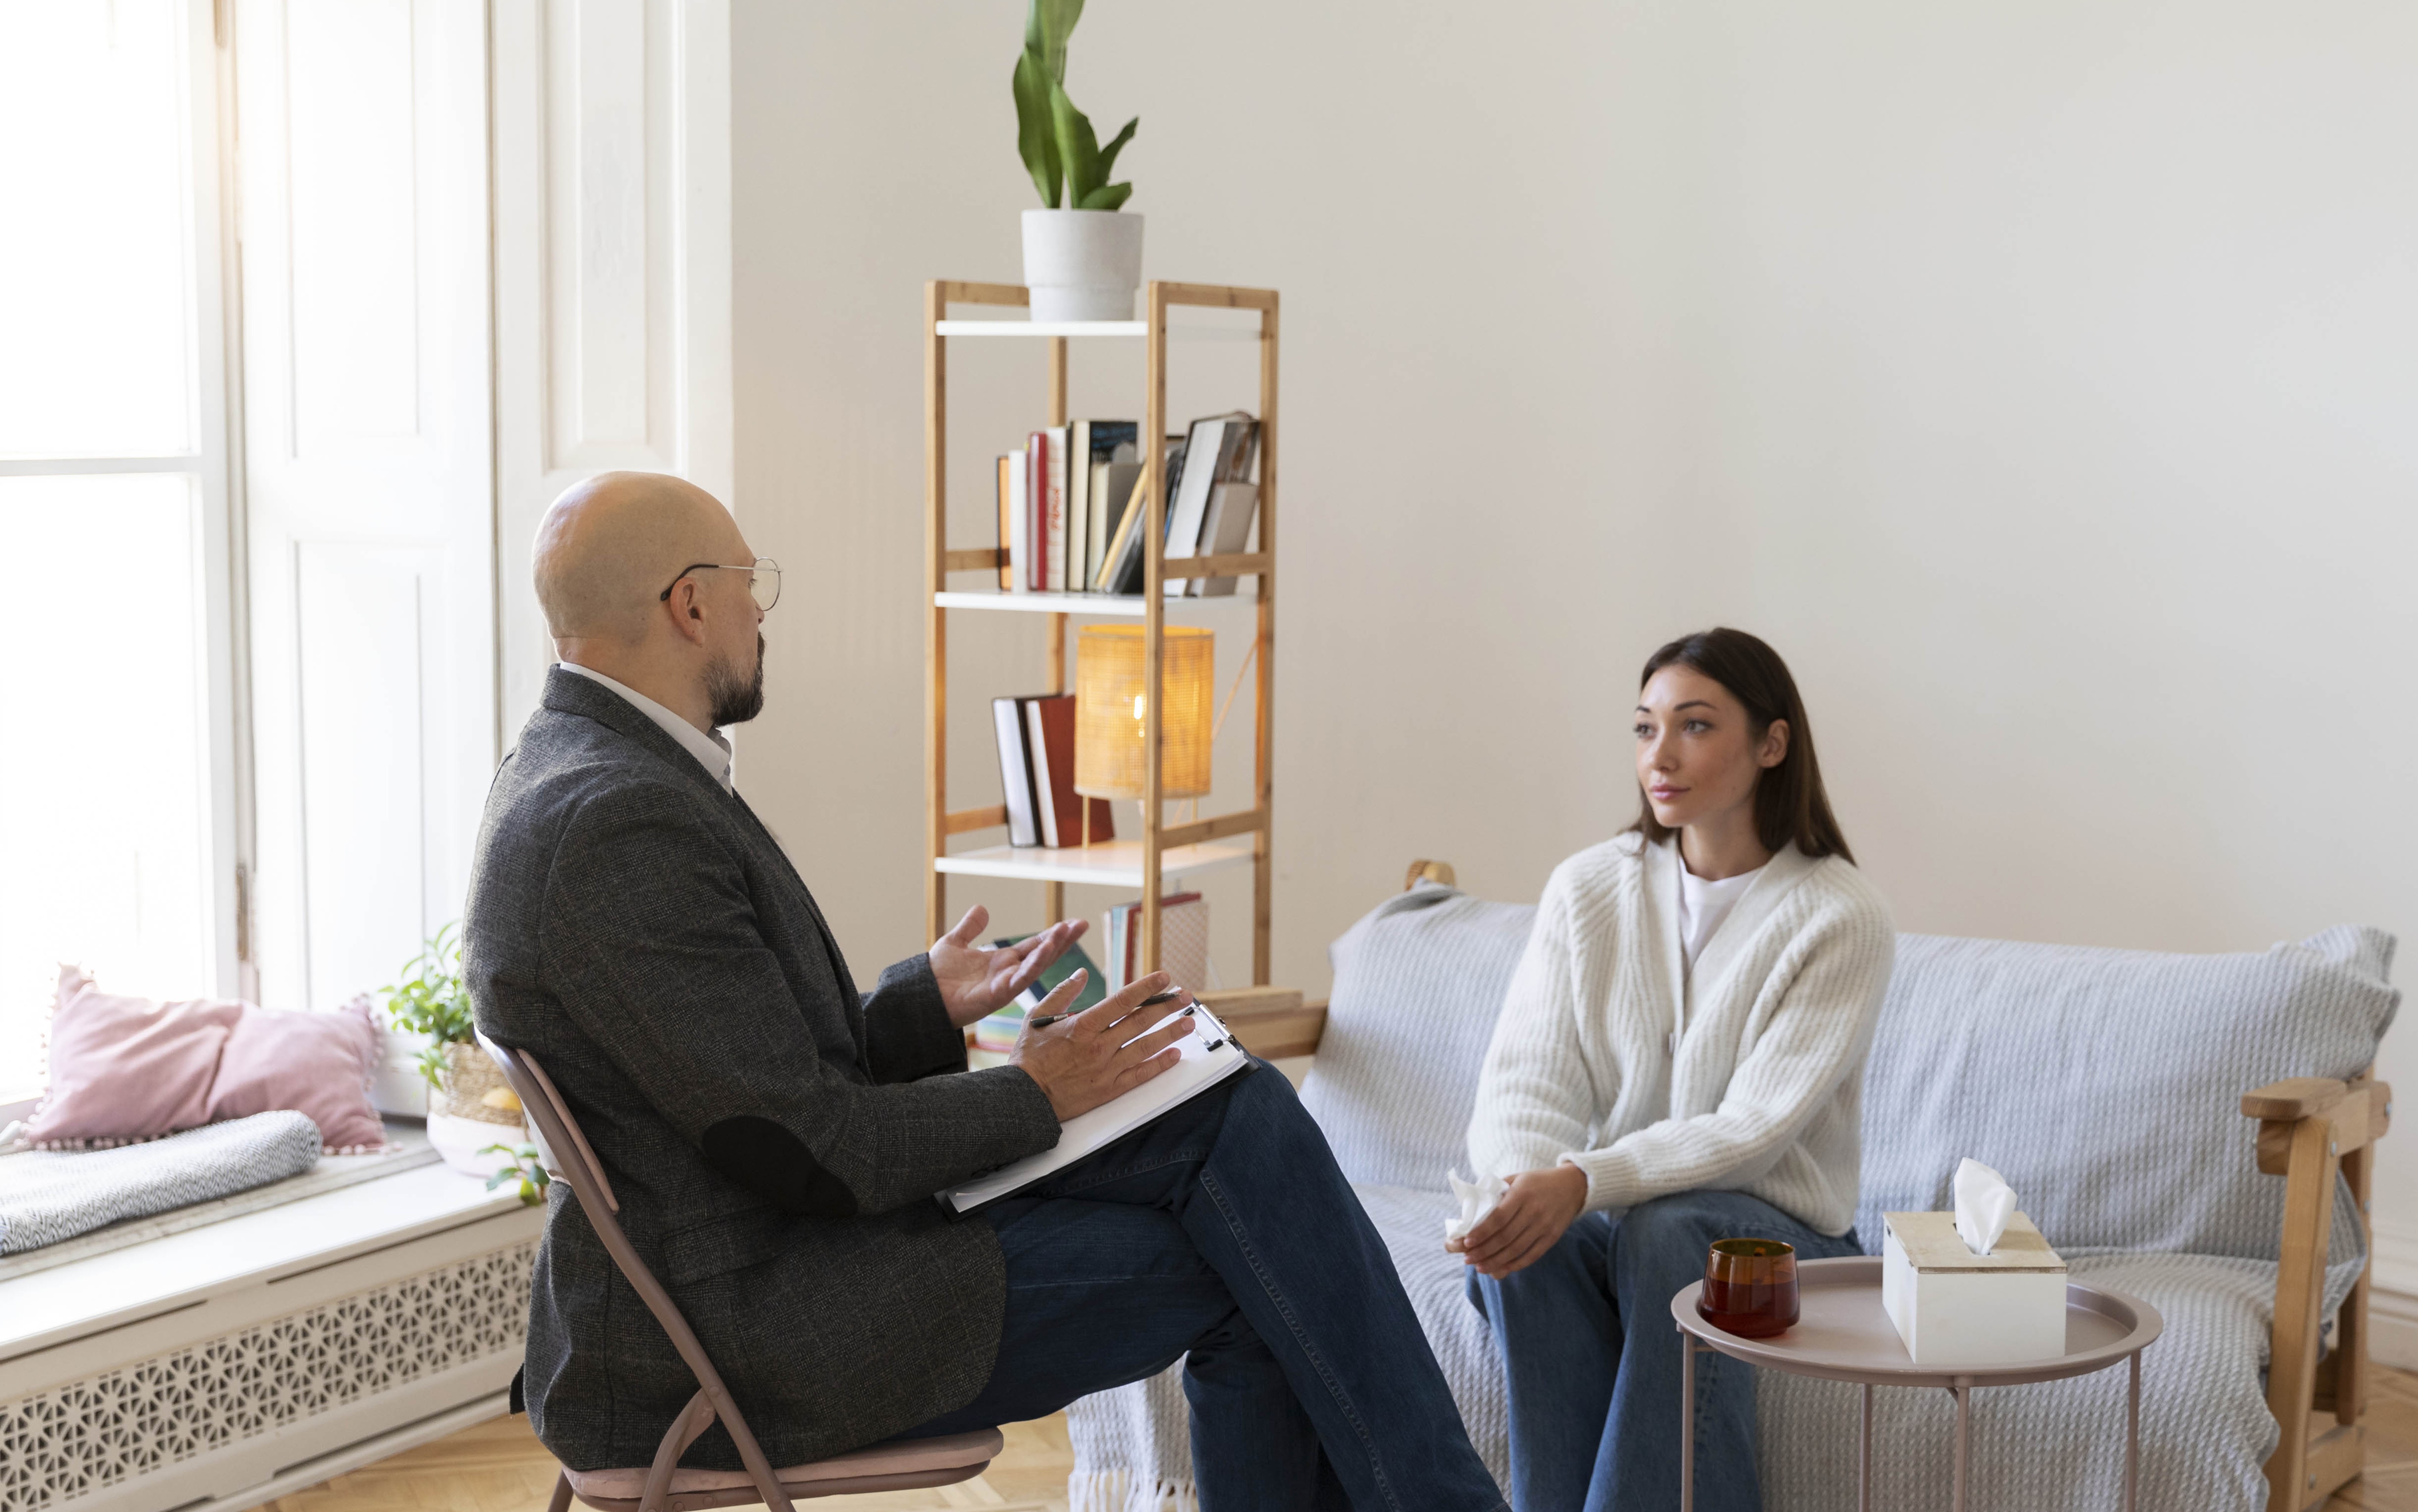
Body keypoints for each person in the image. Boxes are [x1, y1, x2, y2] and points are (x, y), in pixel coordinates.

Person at [466, 471, 1501, 1510]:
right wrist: (1038, 1090)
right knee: (1258, 1254)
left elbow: (733, 1088)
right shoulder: (618, 821)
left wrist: (920, 1003)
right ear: (690, 604)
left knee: (1231, 1111)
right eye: (750, 581)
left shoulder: (576, 769)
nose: (761, 610)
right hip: (754, 1326)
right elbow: (808, 1147)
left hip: (759, 1260)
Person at [1453, 626, 1896, 1512]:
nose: (1659, 755)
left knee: (1672, 1234)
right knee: (1522, 1250)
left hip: (1783, 1245)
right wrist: (1521, 1193)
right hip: (1624, 1222)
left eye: (1694, 726)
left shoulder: (1839, 916)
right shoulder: (1587, 888)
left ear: (1771, 744)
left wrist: (1583, 1180)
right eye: (1644, 727)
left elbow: (1752, 1131)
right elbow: (1524, 1083)